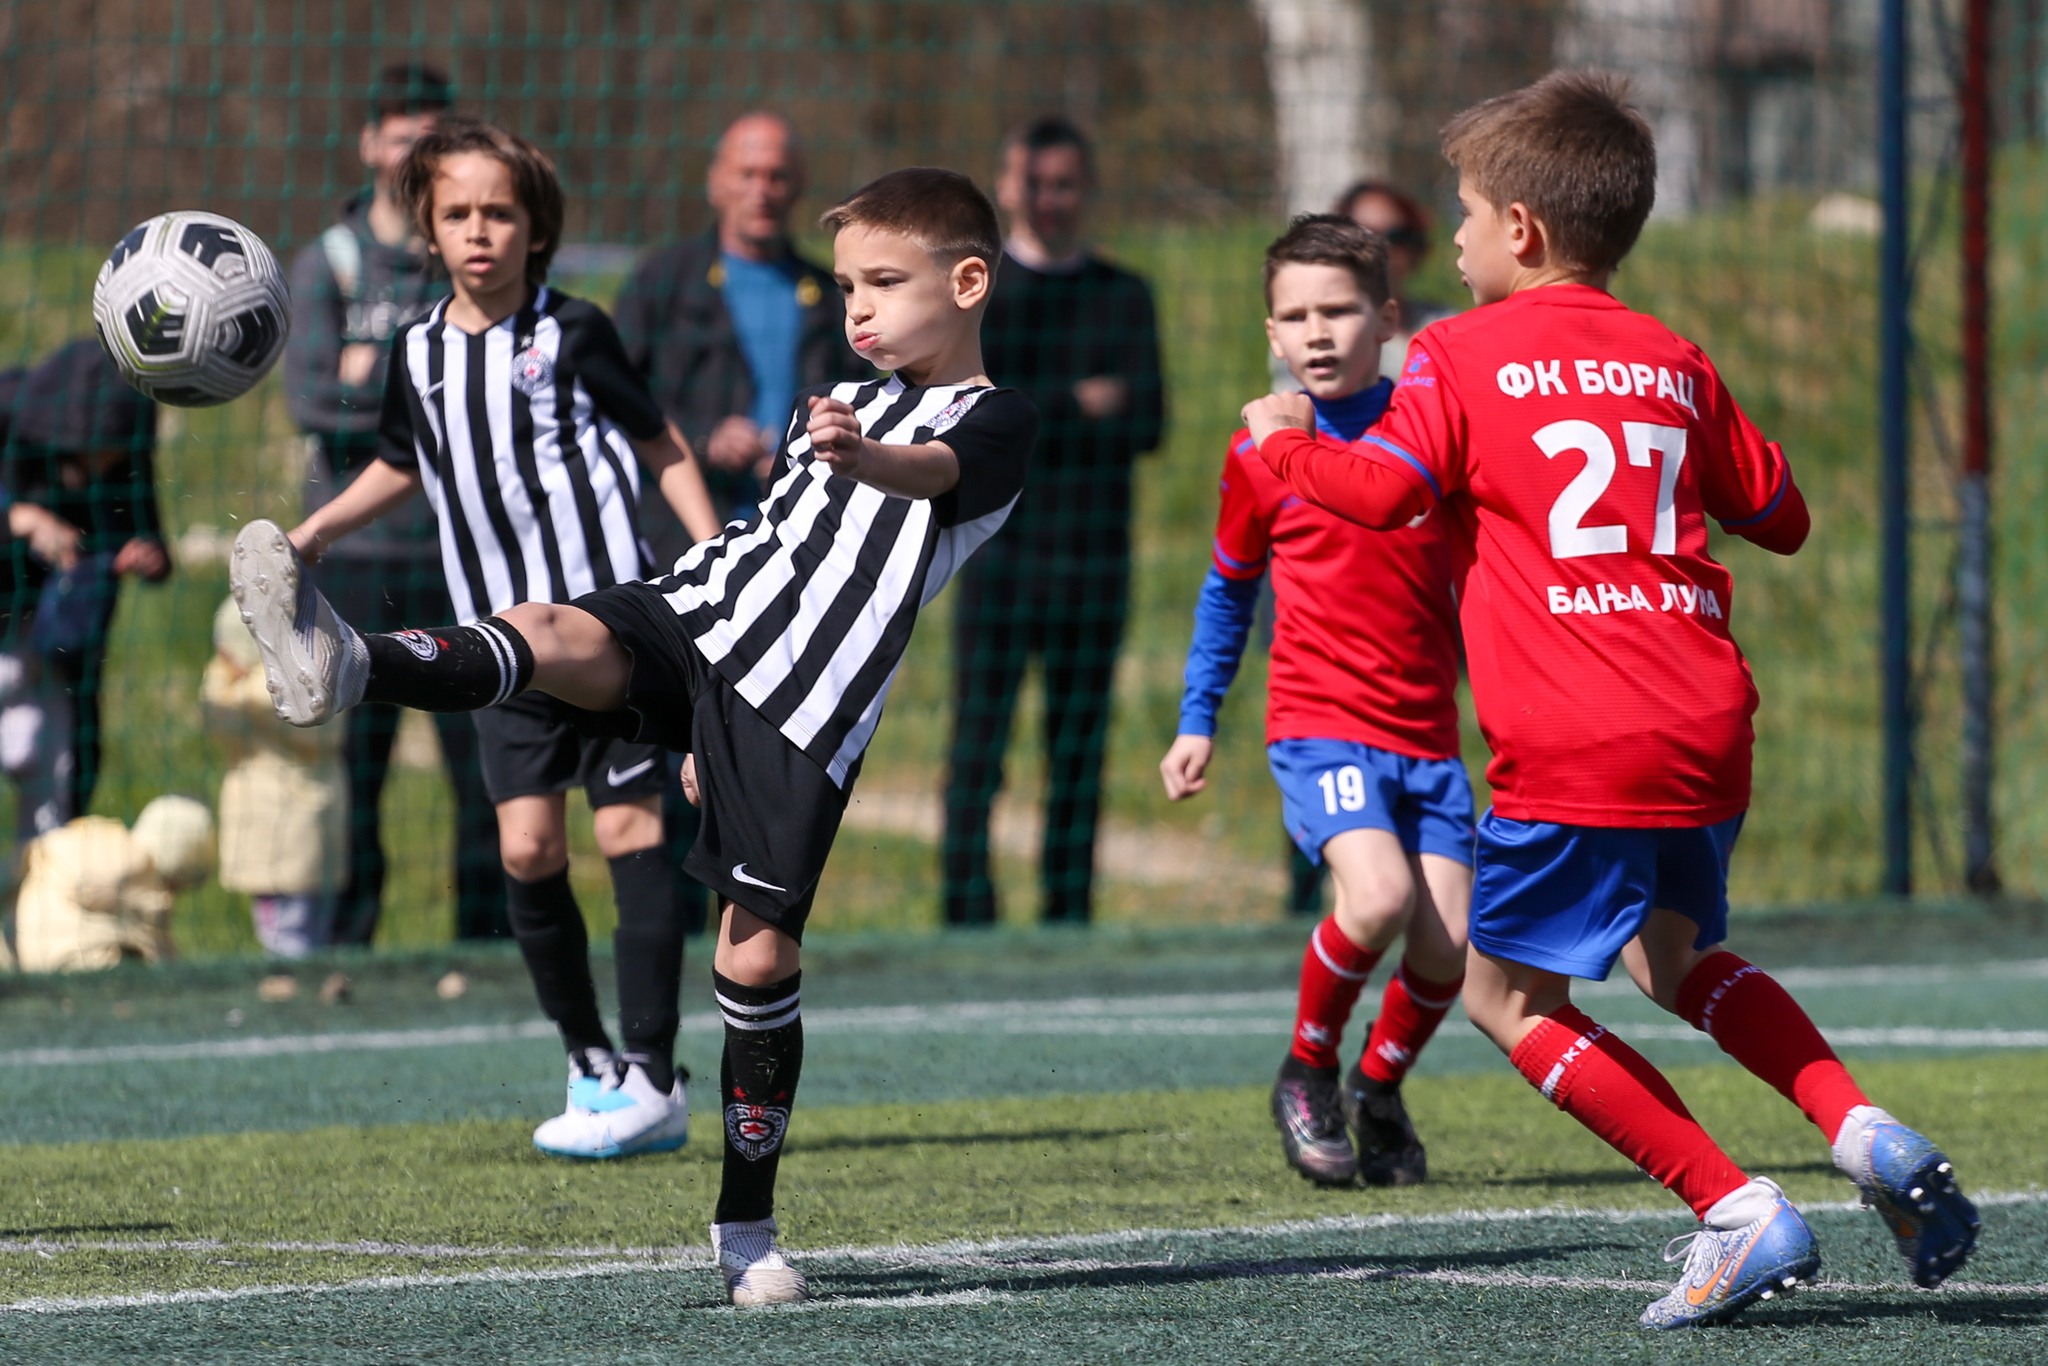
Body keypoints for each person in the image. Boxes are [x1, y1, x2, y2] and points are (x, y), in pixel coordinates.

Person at [1242, 71, 1978, 1329]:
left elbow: (1376, 495)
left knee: (1505, 997)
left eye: (1465, 213)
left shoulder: (1458, 351)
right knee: (1674, 955)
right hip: (1701, 713)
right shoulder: (1667, 350)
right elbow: (1784, 517)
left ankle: (1733, 1211)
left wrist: (1278, 445)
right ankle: (1860, 1131)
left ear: (1518, 230)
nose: (1455, 236)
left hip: (1574, 729)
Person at [229, 166, 1034, 1306]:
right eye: (847, 284)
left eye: (884, 284)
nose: (856, 307)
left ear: (966, 282)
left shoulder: (990, 419)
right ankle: (350, 660)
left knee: (752, 959)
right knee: (549, 624)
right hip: (700, 609)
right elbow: (771, 535)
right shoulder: (834, 396)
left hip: (793, 706)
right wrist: (687, 700)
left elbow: (933, 473)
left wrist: (866, 458)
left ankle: (745, 1227)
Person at [255, 117, 724, 1161]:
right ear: (427, 223)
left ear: (534, 227)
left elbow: (661, 442)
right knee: (526, 845)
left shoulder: (575, 332)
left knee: (631, 835)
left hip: (615, 629)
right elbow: (400, 463)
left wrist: (709, 562)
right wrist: (313, 533)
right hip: (498, 646)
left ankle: (654, 1072)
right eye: (458, 212)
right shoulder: (418, 352)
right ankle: (588, 1058)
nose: (479, 231)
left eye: (499, 212)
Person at [1161, 216, 1471, 1189]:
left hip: (1426, 731)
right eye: (1294, 317)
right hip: (1318, 723)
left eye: (1337, 309)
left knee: (1445, 949)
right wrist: (1195, 717)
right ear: (1271, 334)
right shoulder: (1259, 449)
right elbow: (1226, 588)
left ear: (1386, 318)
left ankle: (1376, 1089)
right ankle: (1306, 1069)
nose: (1317, 333)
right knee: (1374, 896)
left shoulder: (1425, 437)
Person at [612, 111, 862, 936]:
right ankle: (663, 928)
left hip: (789, 561)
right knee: (668, 746)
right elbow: (614, 405)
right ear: (718, 180)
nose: (763, 190)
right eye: (748, 174)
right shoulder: (663, 280)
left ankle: (744, 919)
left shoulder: (826, 291)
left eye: (779, 176)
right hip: (681, 548)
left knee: (758, 751)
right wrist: (702, 433)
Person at [285, 61, 506, 945]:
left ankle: (486, 945)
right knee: (359, 768)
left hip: (459, 554)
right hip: (358, 557)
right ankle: (351, 942)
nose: (420, 152)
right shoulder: (328, 263)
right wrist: (408, 384)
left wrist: (368, 378)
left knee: (480, 765)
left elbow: (486, 393)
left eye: (437, 138)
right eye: (405, 134)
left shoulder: (471, 255)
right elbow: (310, 404)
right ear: (370, 145)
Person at [942, 115, 1163, 926]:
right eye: (1035, 183)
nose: (1050, 198)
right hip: (997, 561)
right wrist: (1081, 402)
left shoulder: (1124, 294)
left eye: (1065, 183)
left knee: (1078, 753)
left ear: (1086, 189)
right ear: (1007, 187)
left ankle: (1068, 915)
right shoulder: (984, 297)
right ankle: (965, 916)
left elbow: (1148, 421)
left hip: (1094, 563)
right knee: (979, 751)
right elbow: (980, 420)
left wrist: (1036, 411)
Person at [0, 339, 170, 833]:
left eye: (112, 455)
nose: (101, 466)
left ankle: (46, 888)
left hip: (63, 646)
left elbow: (147, 528)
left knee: (65, 777)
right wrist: (21, 520)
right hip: (7, 618)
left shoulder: (125, 449)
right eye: (93, 452)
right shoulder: (13, 414)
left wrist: (146, 557)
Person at [203, 596, 347, 957]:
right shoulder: (319, 681)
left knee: (291, 934)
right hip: (295, 833)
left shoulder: (265, 694)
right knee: (300, 927)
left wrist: (245, 678)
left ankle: (292, 989)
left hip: (281, 833)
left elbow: (221, 715)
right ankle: (303, 986)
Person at [13, 794, 213, 973]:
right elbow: (163, 958)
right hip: (81, 971)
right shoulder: (146, 882)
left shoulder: (97, 836)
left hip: (24, 954)